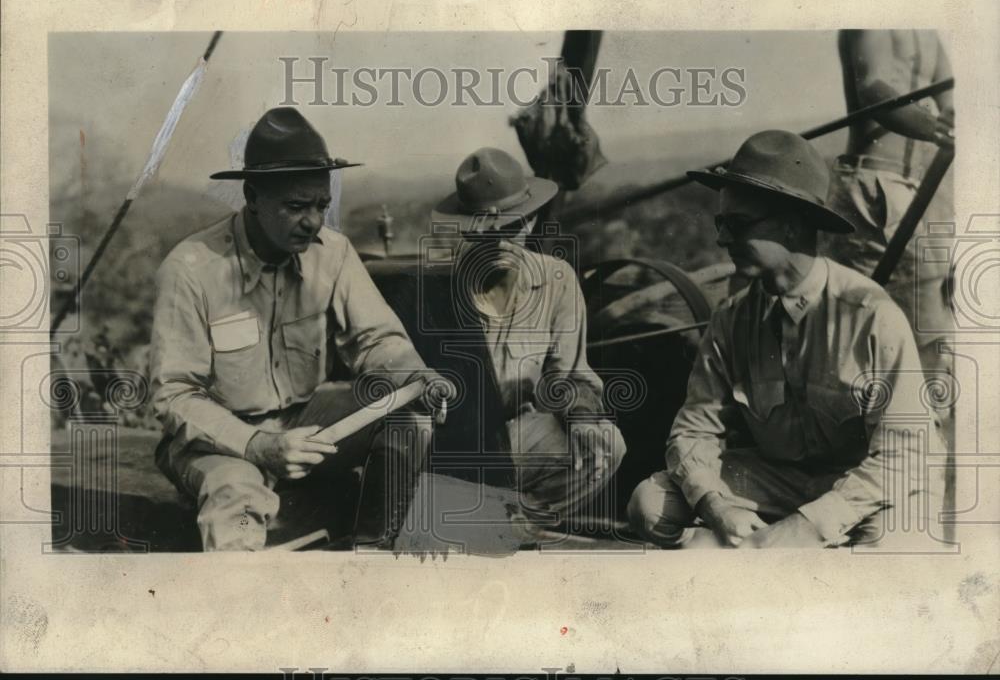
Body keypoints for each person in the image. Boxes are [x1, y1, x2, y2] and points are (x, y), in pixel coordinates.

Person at [150, 107, 455, 551]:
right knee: (236, 497)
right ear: (251, 196)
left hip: (306, 426)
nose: (314, 221)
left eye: (321, 205)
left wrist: (416, 377)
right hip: (218, 442)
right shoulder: (191, 270)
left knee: (409, 416)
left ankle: (371, 553)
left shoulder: (333, 253)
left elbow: (376, 339)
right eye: (296, 207)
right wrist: (257, 446)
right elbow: (174, 394)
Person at [628, 130, 944, 549]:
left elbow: (902, 456)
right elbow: (693, 431)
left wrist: (807, 525)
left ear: (792, 227)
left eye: (737, 225)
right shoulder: (732, 319)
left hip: (869, 484)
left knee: (894, 544)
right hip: (782, 481)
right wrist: (714, 506)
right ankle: (754, 552)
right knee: (649, 504)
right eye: (722, 223)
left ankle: (764, 560)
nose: (722, 239)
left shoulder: (871, 315)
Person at [430, 147, 625, 527]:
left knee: (605, 443)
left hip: (520, 437)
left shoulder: (558, 279)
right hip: (455, 444)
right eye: (491, 231)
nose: (504, 241)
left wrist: (583, 416)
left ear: (532, 221)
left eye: (515, 226)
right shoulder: (440, 289)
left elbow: (570, 376)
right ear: (469, 229)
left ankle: (512, 527)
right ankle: (477, 521)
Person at [822, 30, 955, 380]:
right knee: (857, 316)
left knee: (927, 317)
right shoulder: (872, 15)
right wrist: (936, 128)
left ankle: (928, 421)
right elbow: (873, 87)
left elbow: (950, 96)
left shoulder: (926, 32)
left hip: (918, 187)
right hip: (870, 188)